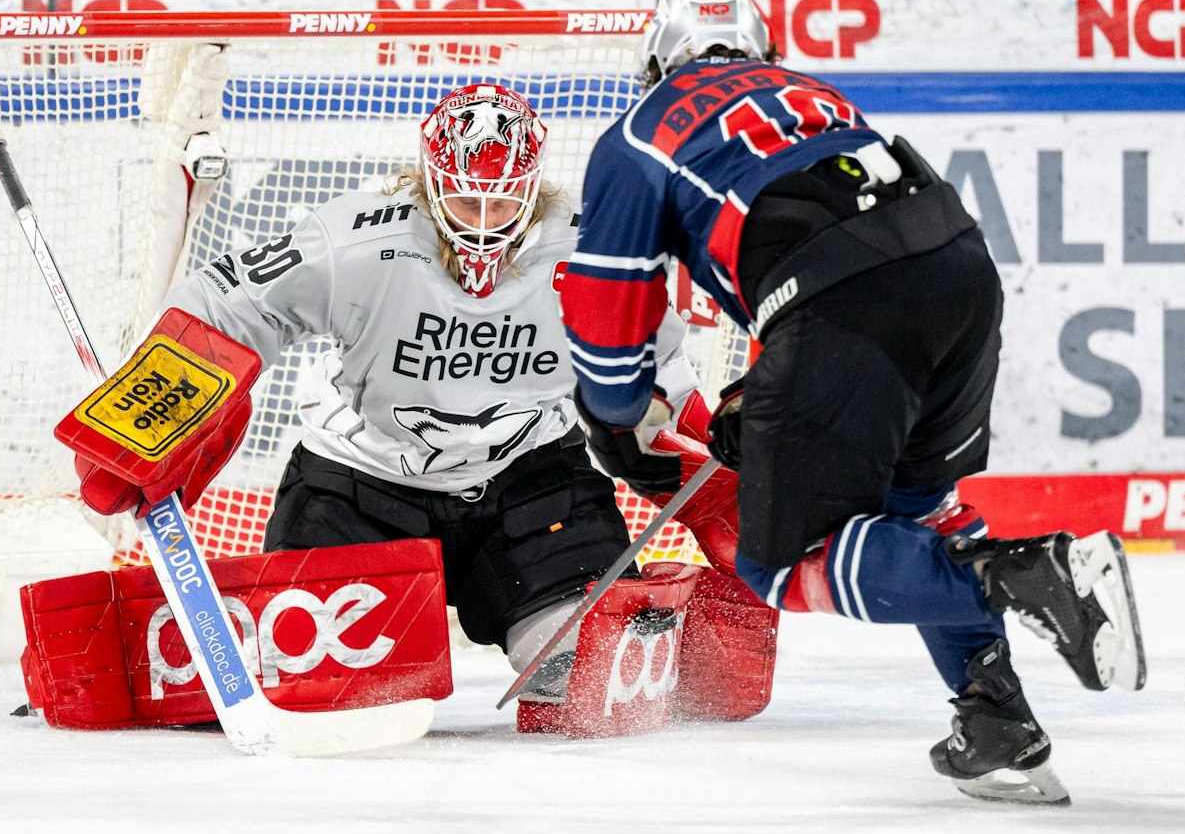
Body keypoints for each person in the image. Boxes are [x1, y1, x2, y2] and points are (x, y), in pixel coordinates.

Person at [559, 0, 1145, 804]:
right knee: (919, 510)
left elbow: (608, 305)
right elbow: (839, 226)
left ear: (658, 61)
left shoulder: (639, 133)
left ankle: (1020, 574)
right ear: (760, 51)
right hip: (960, 270)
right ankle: (997, 717)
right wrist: (762, 390)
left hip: (841, 301)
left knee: (778, 560)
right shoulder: (814, 95)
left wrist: (615, 420)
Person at [93, 76, 730, 730]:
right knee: (329, 700)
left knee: (595, 681)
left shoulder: (590, 250)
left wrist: (709, 471)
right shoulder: (359, 242)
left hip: (531, 491)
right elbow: (225, 300)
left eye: (503, 201)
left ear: (532, 187)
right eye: (464, 200)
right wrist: (152, 410)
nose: (483, 225)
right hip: (358, 495)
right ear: (430, 182)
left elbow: (661, 367)